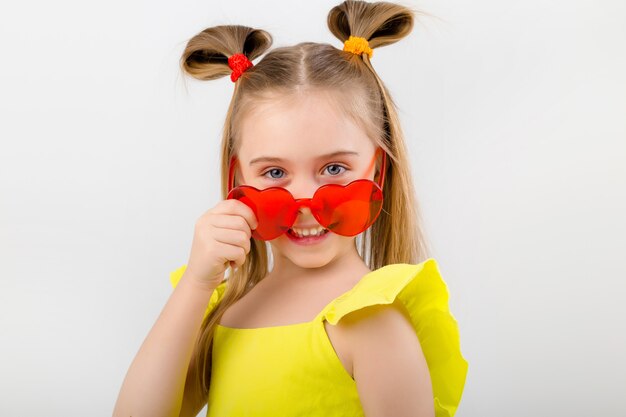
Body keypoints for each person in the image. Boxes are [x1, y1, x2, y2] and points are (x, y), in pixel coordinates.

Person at [113, 1, 468, 416]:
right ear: (237, 180)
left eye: (334, 168)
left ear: (378, 172)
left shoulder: (371, 321)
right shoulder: (224, 309)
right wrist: (195, 283)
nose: (306, 205)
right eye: (275, 172)